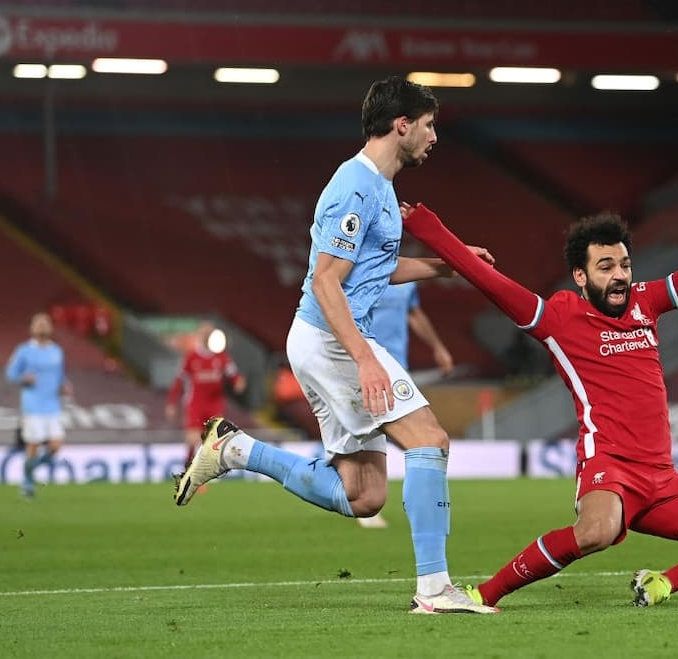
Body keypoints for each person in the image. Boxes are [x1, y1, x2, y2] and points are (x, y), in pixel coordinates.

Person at [173, 75, 498, 614]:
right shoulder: (355, 186)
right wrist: (367, 360)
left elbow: (376, 268)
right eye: (429, 125)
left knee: (364, 494)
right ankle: (436, 588)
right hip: (333, 339)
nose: (434, 136)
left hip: (329, 339)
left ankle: (235, 449)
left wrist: (447, 266)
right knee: (429, 439)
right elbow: (326, 281)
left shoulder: (381, 189)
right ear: (402, 125)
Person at [402, 161, 678, 609]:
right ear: (581, 278)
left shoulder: (647, 301)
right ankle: (482, 594)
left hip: (662, 480)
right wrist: (432, 231)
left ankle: (662, 583)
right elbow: (490, 280)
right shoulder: (560, 317)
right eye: (606, 266)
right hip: (610, 467)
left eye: (624, 264)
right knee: (596, 533)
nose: (620, 275)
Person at [357, 281, 455, 528]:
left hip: (398, 366)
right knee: (372, 430)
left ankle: (416, 502)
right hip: (365, 363)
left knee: (412, 432)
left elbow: (414, 313)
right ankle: (366, 502)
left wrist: (438, 347)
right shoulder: (362, 270)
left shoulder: (406, 280)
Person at [4, 312, 74, 497]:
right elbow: (10, 374)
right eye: (39, 324)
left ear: (51, 328)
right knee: (33, 446)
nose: (42, 326)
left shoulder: (56, 351)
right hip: (33, 406)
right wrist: (23, 378)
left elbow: (60, 376)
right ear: (31, 328)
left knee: (56, 444)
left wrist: (64, 386)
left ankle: (29, 473)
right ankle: (27, 485)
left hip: (53, 406)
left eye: (45, 323)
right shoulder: (23, 350)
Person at [165, 320, 247, 471]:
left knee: (213, 441)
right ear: (200, 335)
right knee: (193, 439)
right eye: (204, 333)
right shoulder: (192, 357)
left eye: (210, 333)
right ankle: (188, 470)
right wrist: (172, 403)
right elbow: (179, 381)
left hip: (214, 403)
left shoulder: (221, 357)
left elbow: (234, 374)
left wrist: (238, 382)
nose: (207, 336)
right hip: (195, 403)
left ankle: (205, 472)